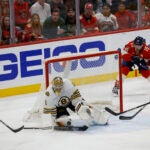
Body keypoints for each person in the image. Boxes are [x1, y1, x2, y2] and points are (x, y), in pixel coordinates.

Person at [43, 76, 109, 127]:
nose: (59, 89)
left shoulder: (69, 85)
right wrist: (53, 122)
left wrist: (81, 108)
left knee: (82, 108)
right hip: (59, 107)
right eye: (56, 87)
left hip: (71, 100)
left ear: (63, 84)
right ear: (52, 86)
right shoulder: (49, 95)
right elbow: (50, 113)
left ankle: (101, 119)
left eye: (60, 87)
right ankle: (65, 121)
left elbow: (78, 100)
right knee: (63, 121)